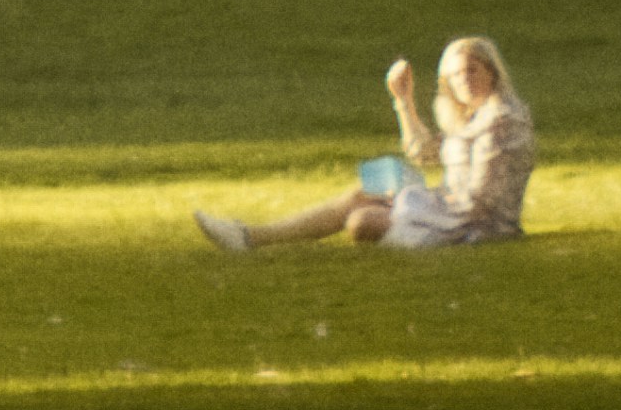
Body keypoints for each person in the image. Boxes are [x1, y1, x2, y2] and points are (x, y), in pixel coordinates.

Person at [195, 34, 535, 259]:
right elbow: (426, 153)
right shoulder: (476, 117)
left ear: (492, 72)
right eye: (456, 75)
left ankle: (248, 237)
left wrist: (412, 198)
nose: (464, 81)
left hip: (475, 227)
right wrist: (403, 101)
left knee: (362, 222)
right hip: (453, 212)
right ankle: (249, 236)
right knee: (363, 195)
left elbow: (482, 200)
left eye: (472, 71)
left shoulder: (502, 120)